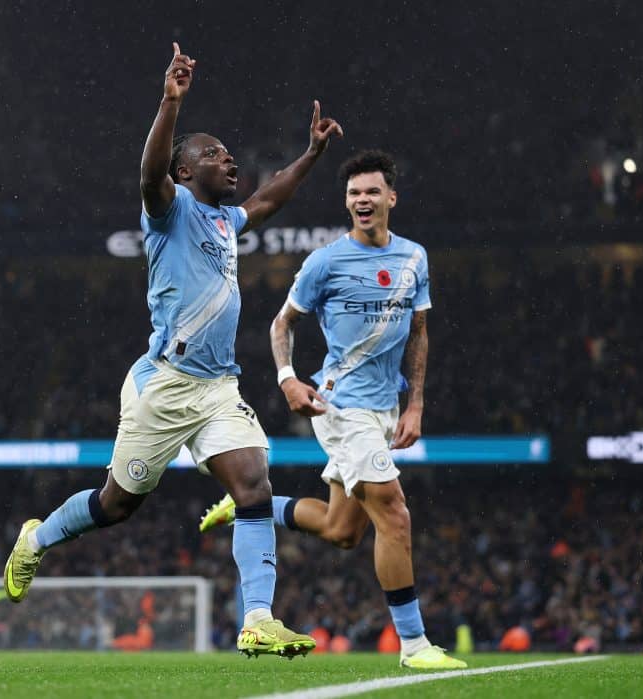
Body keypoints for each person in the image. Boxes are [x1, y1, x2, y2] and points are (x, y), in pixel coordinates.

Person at [2, 42, 343, 659]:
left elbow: (268, 200)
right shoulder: (169, 210)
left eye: (228, 152)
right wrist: (170, 101)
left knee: (255, 487)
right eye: (213, 154)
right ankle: (39, 538)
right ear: (186, 172)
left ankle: (258, 618)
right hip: (163, 383)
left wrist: (313, 154)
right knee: (117, 505)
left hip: (217, 388)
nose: (228, 158)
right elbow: (148, 174)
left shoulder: (224, 222)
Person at [200, 150, 467, 670]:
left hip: (385, 407)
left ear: (391, 197)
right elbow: (282, 324)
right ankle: (414, 647)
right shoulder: (325, 261)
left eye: (371, 192)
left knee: (343, 531)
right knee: (394, 511)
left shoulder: (415, 257)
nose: (361, 200)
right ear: (346, 202)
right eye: (353, 194)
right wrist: (287, 379)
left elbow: (419, 332)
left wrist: (415, 405)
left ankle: (252, 508)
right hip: (341, 406)